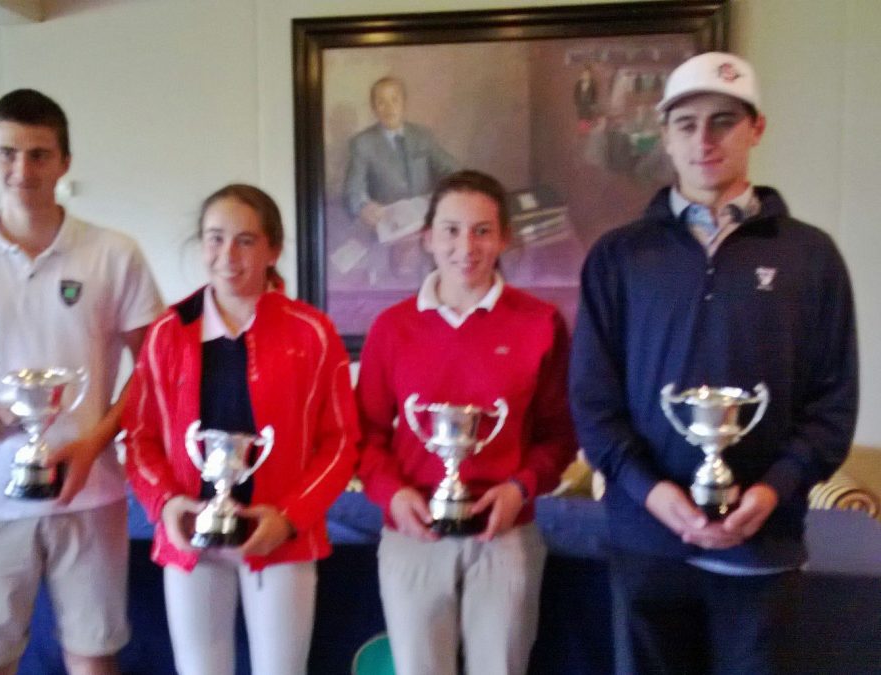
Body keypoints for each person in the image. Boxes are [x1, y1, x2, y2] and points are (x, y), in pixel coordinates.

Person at [569, 52, 858, 674]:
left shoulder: (811, 256)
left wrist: (769, 492)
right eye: (687, 123)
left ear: (756, 129)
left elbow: (833, 403)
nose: (704, 140)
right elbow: (594, 403)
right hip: (647, 544)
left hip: (764, 546)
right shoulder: (618, 257)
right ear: (666, 136)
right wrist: (654, 495)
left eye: (724, 120)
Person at [0, 89, 164, 674]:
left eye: (39, 155)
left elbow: (154, 368)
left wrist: (94, 444)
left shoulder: (113, 254)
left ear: (64, 162)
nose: (22, 170)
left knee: (94, 657)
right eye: (7, 153)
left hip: (90, 490)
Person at [122, 184, 359, 675]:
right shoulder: (167, 331)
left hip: (281, 538)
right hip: (191, 540)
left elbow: (340, 443)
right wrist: (166, 506)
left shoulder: (312, 332)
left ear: (273, 249)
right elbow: (140, 438)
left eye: (246, 241)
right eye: (215, 238)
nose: (227, 255)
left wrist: (289, 518)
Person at [356, 170, 577, 675]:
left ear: (503, 239)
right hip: (412, 535)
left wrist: (520, 489)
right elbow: (365, 435)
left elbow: (559, 436)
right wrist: (392, 493)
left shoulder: (539, 323)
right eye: (451, 230)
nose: (466, 247)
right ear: (428, 237)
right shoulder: (392, 328)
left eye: (482, 231)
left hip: (504, 536)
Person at [342, 76, 459, 229]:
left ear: (404, 103)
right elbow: (353, 190)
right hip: (388, 225)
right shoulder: (362, 143)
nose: (389, 107)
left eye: (395, 100)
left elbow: (452, 169)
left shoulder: (422, 135)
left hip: (427, 220)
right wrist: (363, 206)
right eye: (381, 102)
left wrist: (448, 194)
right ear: (373, 108)